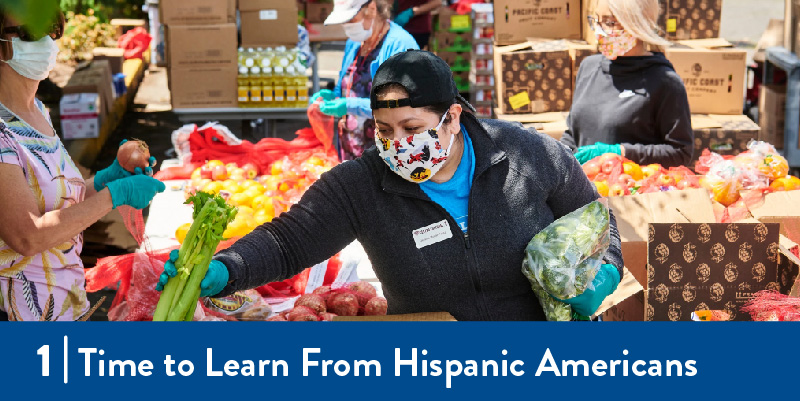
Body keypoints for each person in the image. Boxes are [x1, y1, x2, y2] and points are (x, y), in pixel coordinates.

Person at [159, 50, 624, 321]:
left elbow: (598, 221)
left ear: (452, 117)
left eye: (410, 127)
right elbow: (288, 241)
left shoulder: (527, 154)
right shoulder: (362, 186)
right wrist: (222, 269)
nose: (397, 143)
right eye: (384, 129)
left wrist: (602, 276)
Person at [0, 11, 165, 321]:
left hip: (66, 301)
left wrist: (107, 179)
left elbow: (60, 208)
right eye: (31, 33)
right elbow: (27, 236)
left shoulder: (36, 110)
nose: (48, 41)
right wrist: (115, 194)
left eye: (53, 27)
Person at [561, 0, 693, 168]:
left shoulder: (665, 81)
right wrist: (561, 155)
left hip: (630, 190)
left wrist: (621, 152)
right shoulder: (589, 67)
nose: (600, 31)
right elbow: (573, 133)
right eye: (597, 21)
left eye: (610, 23)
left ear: (638, 26)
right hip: (583, 188)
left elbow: (681, 153)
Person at [310, 0, 419, 160]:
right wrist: (333, 95)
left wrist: (350, 105)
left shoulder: (401, 45)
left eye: (351, 20)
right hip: (352, 149)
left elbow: (402, 103)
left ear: (371, 9)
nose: (346, 26)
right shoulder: (354, 42)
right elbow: (347, 82)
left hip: (387, 153)